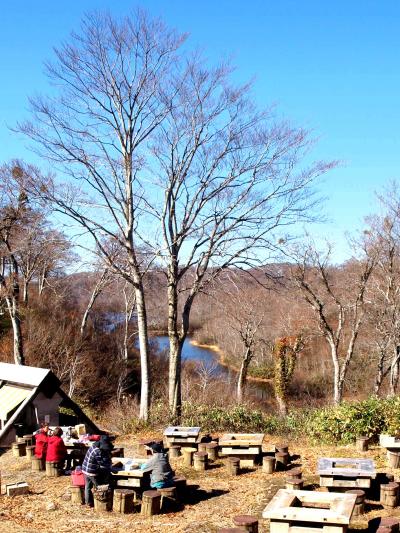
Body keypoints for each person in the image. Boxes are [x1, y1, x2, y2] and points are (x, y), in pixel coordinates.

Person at [81, 435, 114, 506]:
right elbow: (102, 464)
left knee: (87, 487)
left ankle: (88, 503)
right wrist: (109, 464)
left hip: (84, 469)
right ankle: (99, 503)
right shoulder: (98, 452)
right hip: (91, 472)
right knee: (99, 487)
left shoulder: (93, 447)